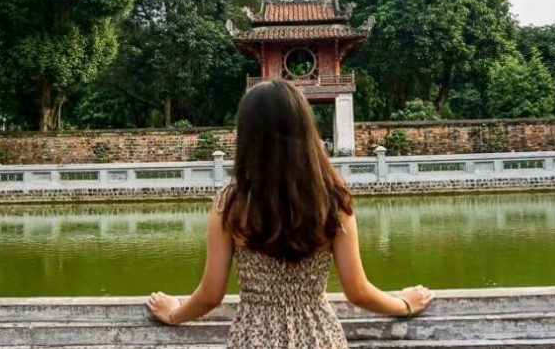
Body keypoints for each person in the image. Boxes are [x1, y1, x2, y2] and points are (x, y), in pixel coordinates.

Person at [147, 80, 434, 348]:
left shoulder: (232, 203)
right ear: (306, 131)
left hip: (253, 337)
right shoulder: (331, 199)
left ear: (247, 137)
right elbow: (357, 290)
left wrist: (174, 313)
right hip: (319, 336)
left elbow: (210, 295)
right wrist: (404, 304)